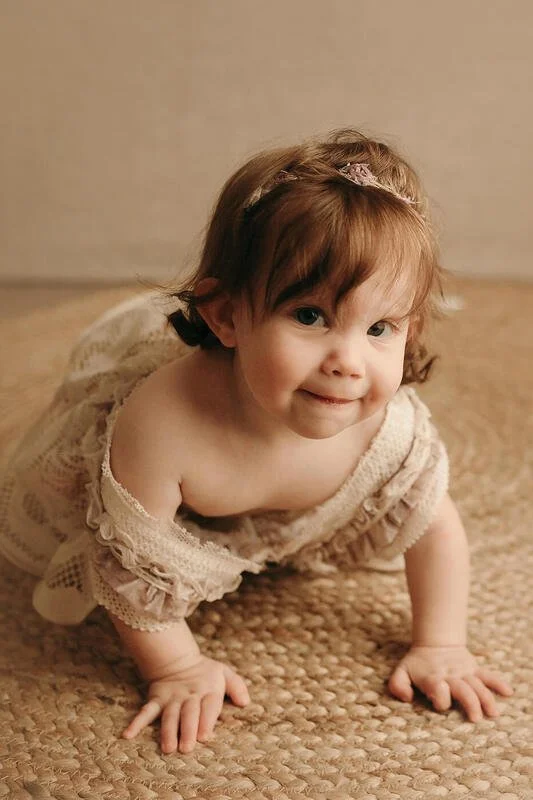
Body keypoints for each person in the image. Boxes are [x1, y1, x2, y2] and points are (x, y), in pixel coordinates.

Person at [0, 128, 513, 755]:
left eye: (380, 327)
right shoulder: (163, 425)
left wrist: (441, 644)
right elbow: (124, 567)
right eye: (308, 316)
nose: (348, 361)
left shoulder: (383, 429)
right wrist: (178, 668)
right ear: (224, 315)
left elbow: (436, 527)